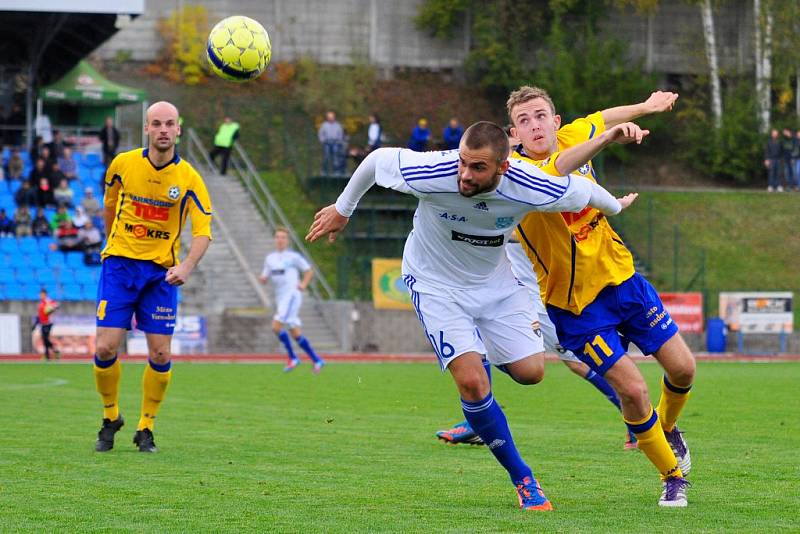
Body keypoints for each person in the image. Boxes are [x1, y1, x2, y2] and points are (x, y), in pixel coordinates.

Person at [307, 120, 641, 511]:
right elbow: (378, 160)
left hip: (497, 286)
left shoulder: (531, 184)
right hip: (434, 285)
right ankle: (524, 479)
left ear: (503, 167)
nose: (465, 174)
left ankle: (477, 360)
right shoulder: (434, 171)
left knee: (531, 372)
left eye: (478, 167)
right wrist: (343, 210)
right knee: (472, 382)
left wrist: (616, 206)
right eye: (463, 162)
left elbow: (584, 191)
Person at [505, 85, 694, 507]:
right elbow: (561, 166)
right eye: (523, 121)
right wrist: (608, 139)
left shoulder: (574, 133)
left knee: (683, 370)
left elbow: (602, 114)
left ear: (556, 122)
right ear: (514, 135)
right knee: (632, 391)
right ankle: (672, 476)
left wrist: (646, 107)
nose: (534, 126)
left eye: (540, 116)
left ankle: (667, 429)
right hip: (575, 306)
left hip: (623, 280)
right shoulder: (516, 173)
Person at [92, 101, 212, 454]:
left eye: (169, 124)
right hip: (119, 267)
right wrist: (113, 241)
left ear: (179, 130)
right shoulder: (123, 164)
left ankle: (146, 427)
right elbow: (110, 204)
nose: (163, 129)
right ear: (146, 129)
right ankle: (110, 416)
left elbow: (203, 231)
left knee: (160, 354)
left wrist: (186, 266)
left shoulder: (189, 178)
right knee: (104, 347)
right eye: (156, 123)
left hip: (161, 276)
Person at [258, 226, 325, 373]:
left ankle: (293, 358)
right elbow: (265, 275)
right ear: (275, 239)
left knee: (276, 326)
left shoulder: (293, 257)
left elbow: (308, 270)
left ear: (287, 240)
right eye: (278, 237)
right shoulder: (270, 259)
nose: (280, 240)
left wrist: (303, 284)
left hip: (292, 296)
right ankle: (316, 360)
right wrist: (262, 279)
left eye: (283, 237)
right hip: (280, 297)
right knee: (295, 332)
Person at [35, 289, 61, 360]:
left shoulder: (48, 301)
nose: (41, 296)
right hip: (42, 323)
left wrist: (50, 309)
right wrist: (36, 323)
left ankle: (54, 351)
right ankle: (48, 355)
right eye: (40, 295)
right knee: (44, 339)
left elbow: (57, 305)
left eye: (42, 294)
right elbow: (40, 314)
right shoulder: (41, 303)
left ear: (45, 294)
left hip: (48, 323)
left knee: (45, 338)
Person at [318, 111, 345, 175]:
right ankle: (324, 171)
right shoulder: (324, 125)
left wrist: (339, 141)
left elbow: (340, 134)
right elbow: (320, 134)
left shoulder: (338, 125)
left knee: (336, 157)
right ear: (327, 118)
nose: (331, 118)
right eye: (329, 117)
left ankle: (336, 171)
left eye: (332, 117)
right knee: (326, 157)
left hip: (335, 143)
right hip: (327, 143)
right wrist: (322, 140)